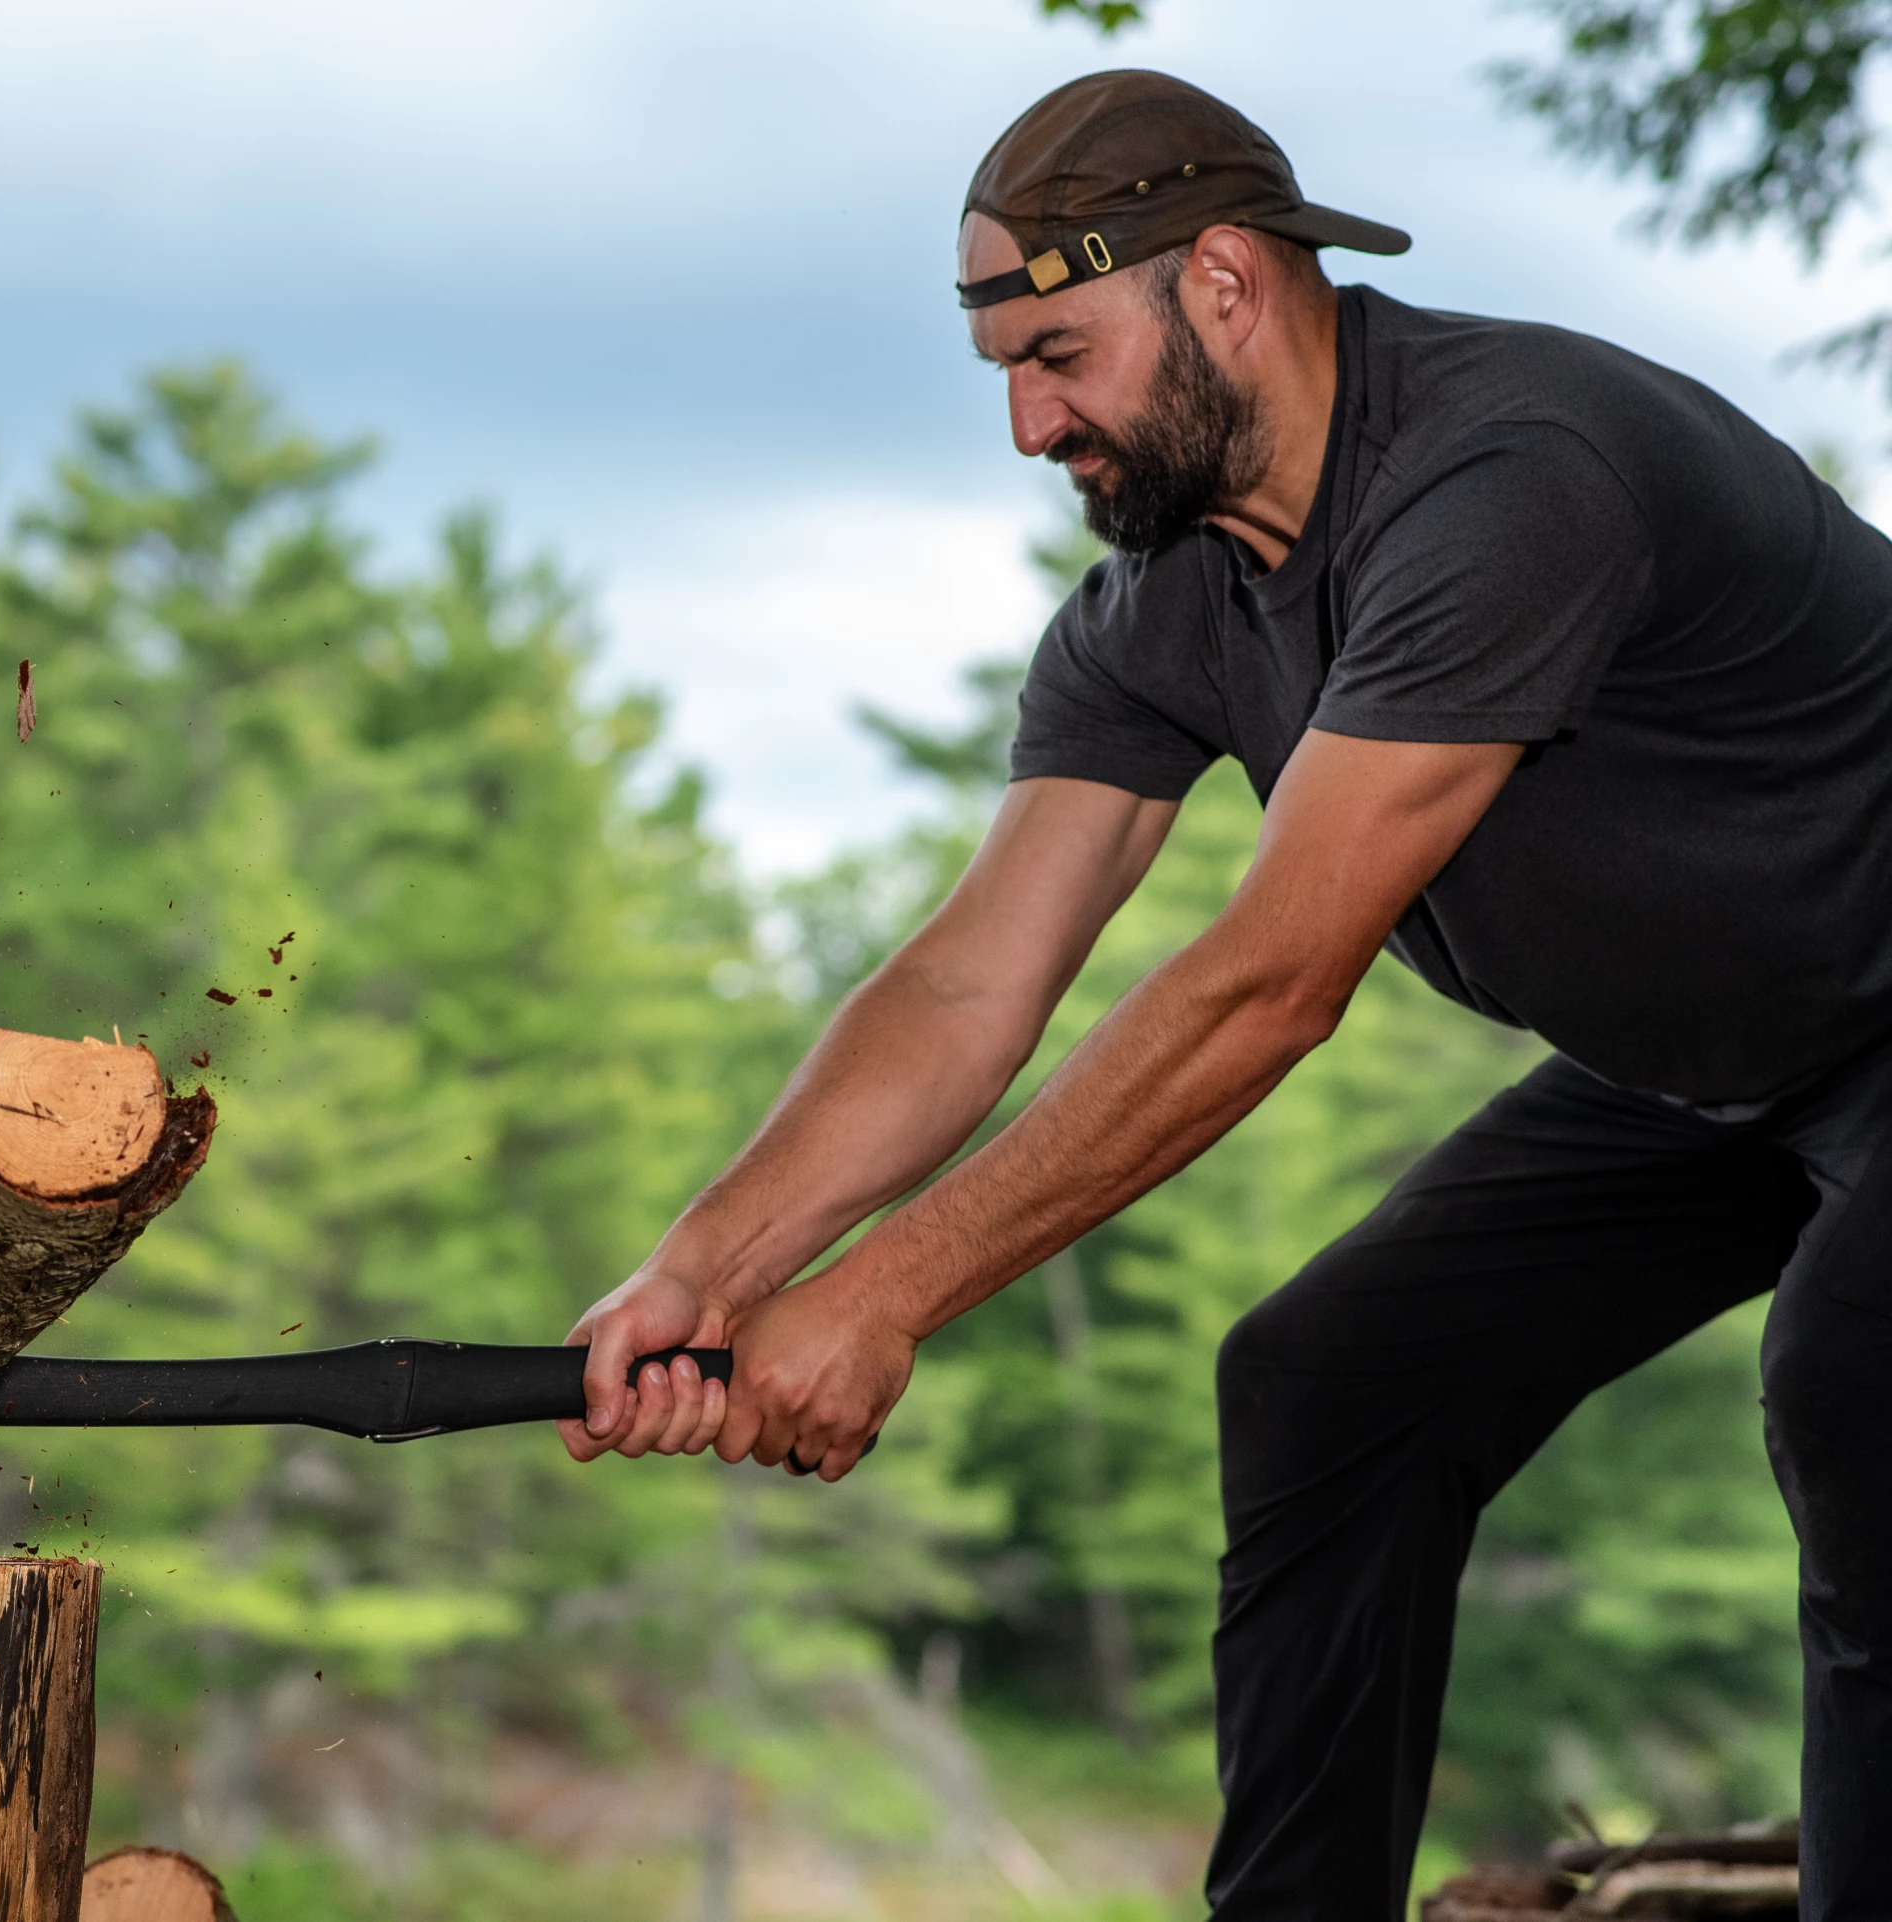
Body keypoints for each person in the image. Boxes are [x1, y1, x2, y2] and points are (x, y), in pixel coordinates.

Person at [558, 67, 1892, 1920]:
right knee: (1330, 1377)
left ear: (1228, 285)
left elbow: (1270, 982)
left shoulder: (1510, 475)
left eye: (1060, 353)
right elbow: (966, 982)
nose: (1030, 423)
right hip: (1722, 1066)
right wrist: (707, 1264)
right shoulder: (1167, 603)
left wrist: (880, 1299)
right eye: (1003, 372)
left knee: (1859, 1374)